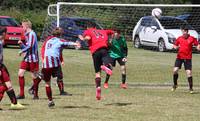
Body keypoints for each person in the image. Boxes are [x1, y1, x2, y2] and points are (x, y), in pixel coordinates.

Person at [40, 27, 80, 107]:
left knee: (47, 84)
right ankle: (61, 90)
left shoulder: (48, 41)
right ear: (60, 34)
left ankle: (50, 100)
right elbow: (67, 43)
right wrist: (76, 44)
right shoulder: (59, 41)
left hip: (46, 64)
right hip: (55, 64)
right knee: (59, 75)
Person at [78, 24, 114, 100]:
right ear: (95, 27)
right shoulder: (103, 30)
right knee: (110, 65)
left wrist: (82, 38)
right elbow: (112, 32)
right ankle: (105, 66)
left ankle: (98, 87)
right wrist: (110, 40)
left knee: (97, 73)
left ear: (88, 27)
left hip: (95, 52)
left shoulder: (88, 31)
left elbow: (88, 38)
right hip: (104, 49)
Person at [0, 28, 25, 110]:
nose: (6, 35)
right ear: (3, 34)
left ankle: (14, 103)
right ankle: (14, 103)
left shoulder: (1, 42)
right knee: (5, 85)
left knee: (7, 85)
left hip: (2, 66)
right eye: (5, 33)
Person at [171, 25, 200, 94]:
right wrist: (175, 47)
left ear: (187, 32)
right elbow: (174, 45)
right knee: (175, 70)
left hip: (188, 58)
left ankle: (191, 88)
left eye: (184, 32)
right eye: (182, 31)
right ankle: (175, 85)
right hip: (179, 57)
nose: (183, 33)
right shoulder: (179, 38)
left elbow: (197, 44)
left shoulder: (192, 38)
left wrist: (198, 47)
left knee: (189, 73)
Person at [17, 19, 41, 99]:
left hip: (33, 59)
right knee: (20, 73)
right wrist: (21, 44)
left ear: (26, 26)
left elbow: (30, 46)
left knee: (34, 76)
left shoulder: (32, 34)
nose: (22, 27)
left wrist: (22, 50)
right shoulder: (27, 34)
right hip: (26, 58)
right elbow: (27, 46)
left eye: (22, 26)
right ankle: (21, 94)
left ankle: (36, 95)